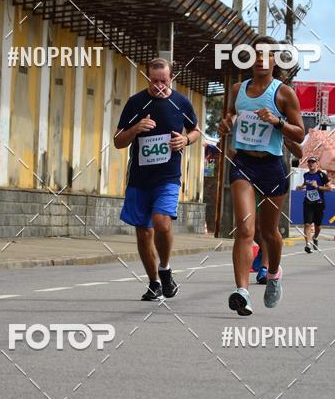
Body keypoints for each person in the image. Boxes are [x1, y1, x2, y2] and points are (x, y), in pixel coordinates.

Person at [218, 40, 305, 314]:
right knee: (245, 229)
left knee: (270, 233)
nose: (261, 59)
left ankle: (274, 273)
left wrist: (277, 121)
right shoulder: (237, 89)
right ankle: (241, 292)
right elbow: (231, 116)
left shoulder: (284, 94)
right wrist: (226, 123)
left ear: (275, 61)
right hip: (243, 163)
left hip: (272, 166)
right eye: (256, 54)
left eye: (267, 55)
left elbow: (300, 134)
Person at [114, 57, 200, 299]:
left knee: (162, 223)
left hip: (168, 177)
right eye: (154, 81)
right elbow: (118, 141)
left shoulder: (181, 102)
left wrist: (186, 140)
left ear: (171, 78)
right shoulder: (136, 103)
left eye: (163, 80)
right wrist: (135, 129)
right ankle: (154, 283)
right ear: (147, 78)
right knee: (143, 233)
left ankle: (165, 269)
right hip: (140, 179)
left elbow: (195, 130)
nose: (159, 85)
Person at [253, 136, 303, 284]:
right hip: (247, 168)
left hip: (272, 172)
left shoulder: (278, 118)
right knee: (251, 227)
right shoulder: (244, 113)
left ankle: (265, 267)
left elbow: (299, 152)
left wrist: (286, 136)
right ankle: (264, 249)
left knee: (266, 228)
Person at [297, 156, 332, 252]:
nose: (311, 164)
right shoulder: (306, 175)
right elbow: (306, 184)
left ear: (317, 164)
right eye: (309, 162)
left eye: (313, 162)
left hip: (319, 203)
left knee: (318, 226)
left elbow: (329, 188)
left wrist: (318, 187)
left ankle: (315, 237)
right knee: (307, 224)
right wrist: (301, 186)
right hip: (308, 202)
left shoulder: (322, 175)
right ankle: (308, 244)